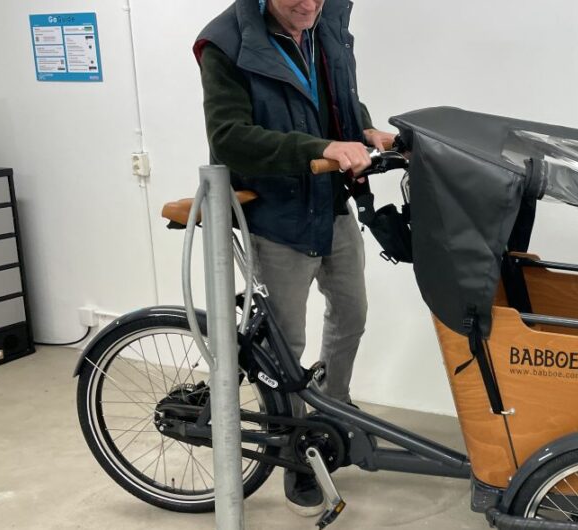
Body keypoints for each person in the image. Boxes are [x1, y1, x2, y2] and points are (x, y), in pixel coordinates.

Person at [194, 0, 395, 516]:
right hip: (277, 215)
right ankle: (294, 450)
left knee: (351, 314)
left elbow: (333, 99)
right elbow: (229, 137)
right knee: (286, 346)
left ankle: (331, 411)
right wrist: (321, 147)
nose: (309, 3)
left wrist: (364, 131)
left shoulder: (324, 25)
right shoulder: (227, 42)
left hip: (331, 203)